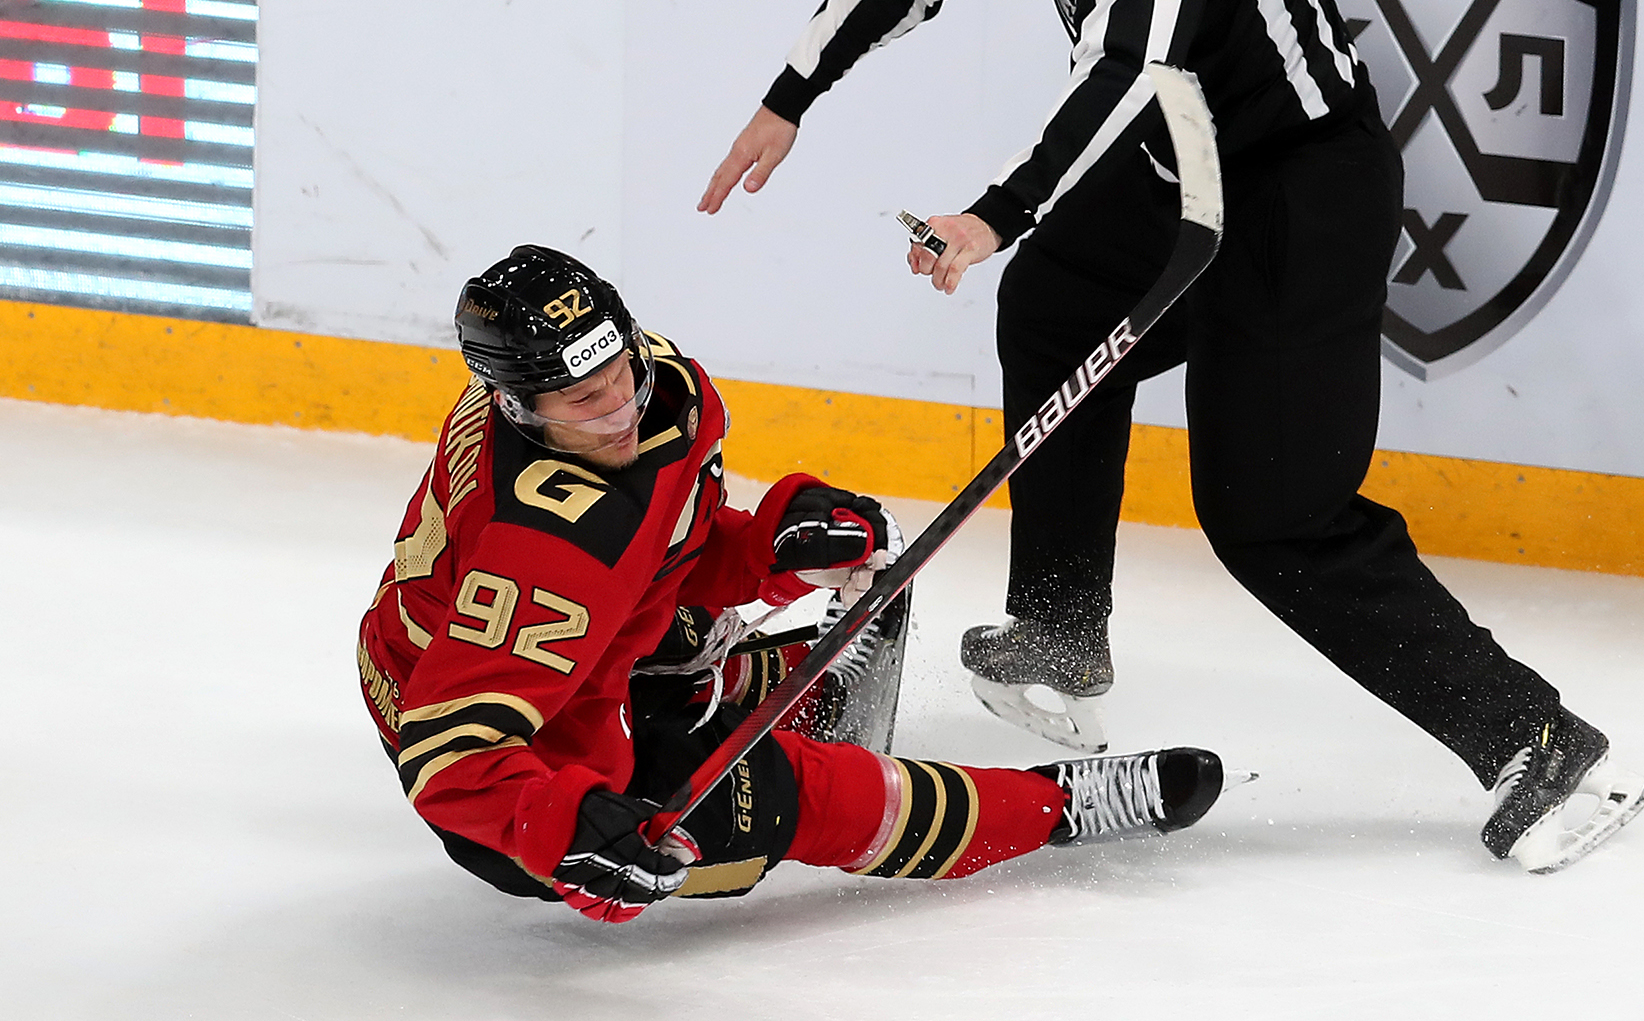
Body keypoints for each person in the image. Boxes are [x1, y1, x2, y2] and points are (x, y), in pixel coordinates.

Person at [699, 0, 1644, 874]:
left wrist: (993, 212)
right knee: (1049, 307)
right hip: (1176, 162)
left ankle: (1533, 738)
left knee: (1274, 520)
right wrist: (791, 92)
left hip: (1295, 194)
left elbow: (1122, 67)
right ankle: (1056, 630)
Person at [357, 243, 1226, 922]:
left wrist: (775, 544)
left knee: (678, 634)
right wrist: (564, 829)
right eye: (584, 402)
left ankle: (752, 684)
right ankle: (1059, 807)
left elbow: (662, 552)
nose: (621, 407)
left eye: (618, 371)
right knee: (787, 794)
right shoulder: (545, 553)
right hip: (506, 754)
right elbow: (451, 756)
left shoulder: (648, 391)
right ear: (514, 404)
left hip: (526, 648)